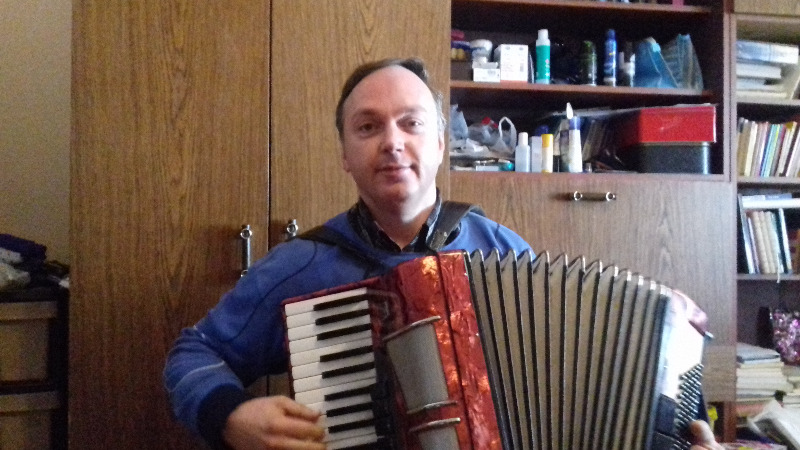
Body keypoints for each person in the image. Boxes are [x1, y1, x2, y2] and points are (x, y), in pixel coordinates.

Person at [164, 57, 723, 450]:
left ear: (437, 144)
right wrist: (230, 415)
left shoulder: (505, 253)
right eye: (368, 127)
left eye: (411, 123)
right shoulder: (302, 264)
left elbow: (586, 375)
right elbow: (194, 352)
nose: (392, 142)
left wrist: (664, 334)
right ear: (345, 155)